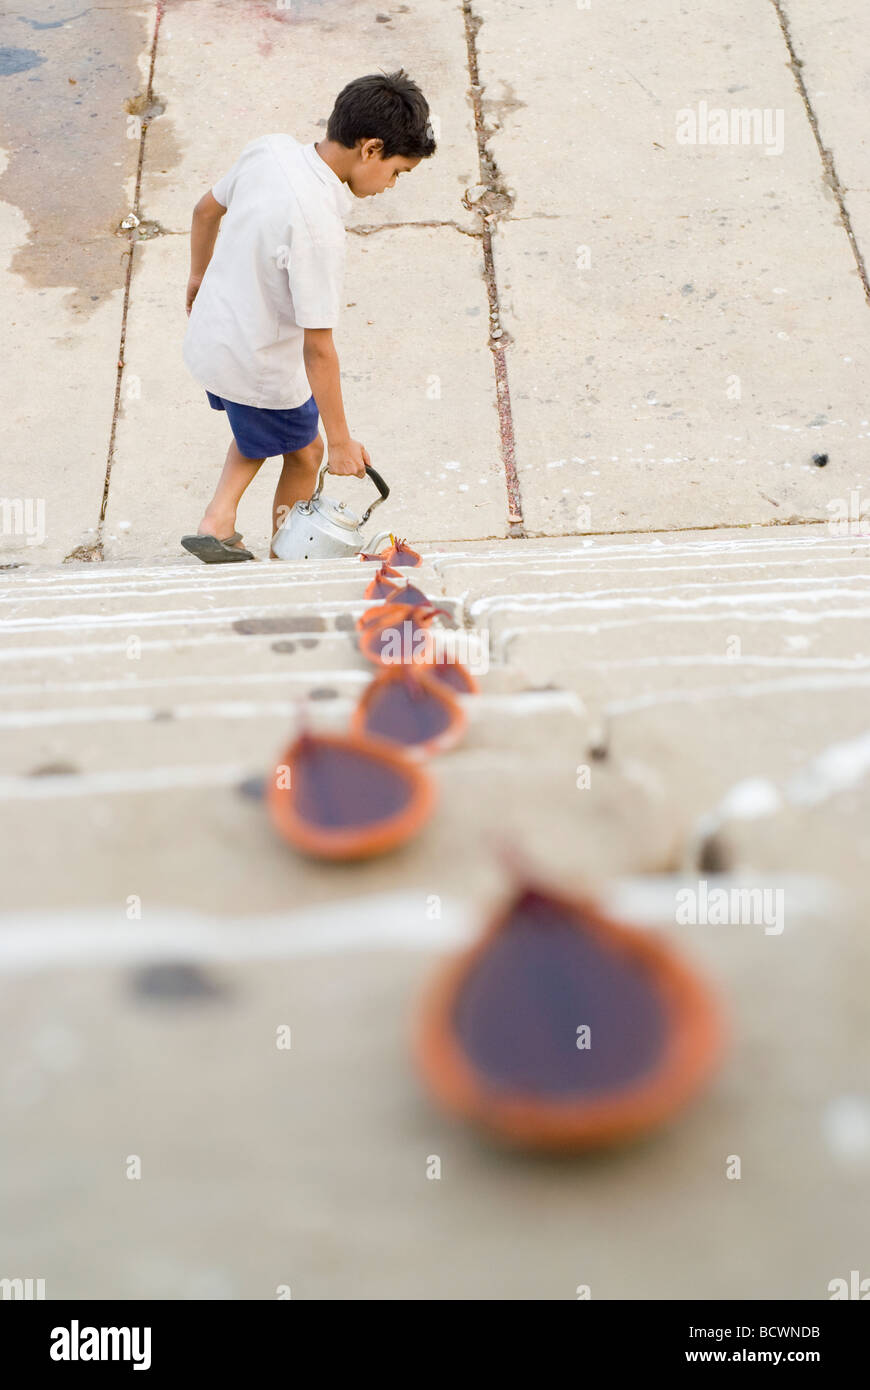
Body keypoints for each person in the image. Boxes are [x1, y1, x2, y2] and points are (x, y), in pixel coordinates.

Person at [180, 69, 436, 562]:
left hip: (211, 335)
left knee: (257, 430)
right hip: (258, 365)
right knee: (308, 452)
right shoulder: (317, 228)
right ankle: (288, 557)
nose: (392, 184)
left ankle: (218, 519)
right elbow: (318, 348)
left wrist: (197, 277)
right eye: (397, 172)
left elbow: (204, 212)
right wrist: (341, 443)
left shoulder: (269, 150)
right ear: (371, 149)